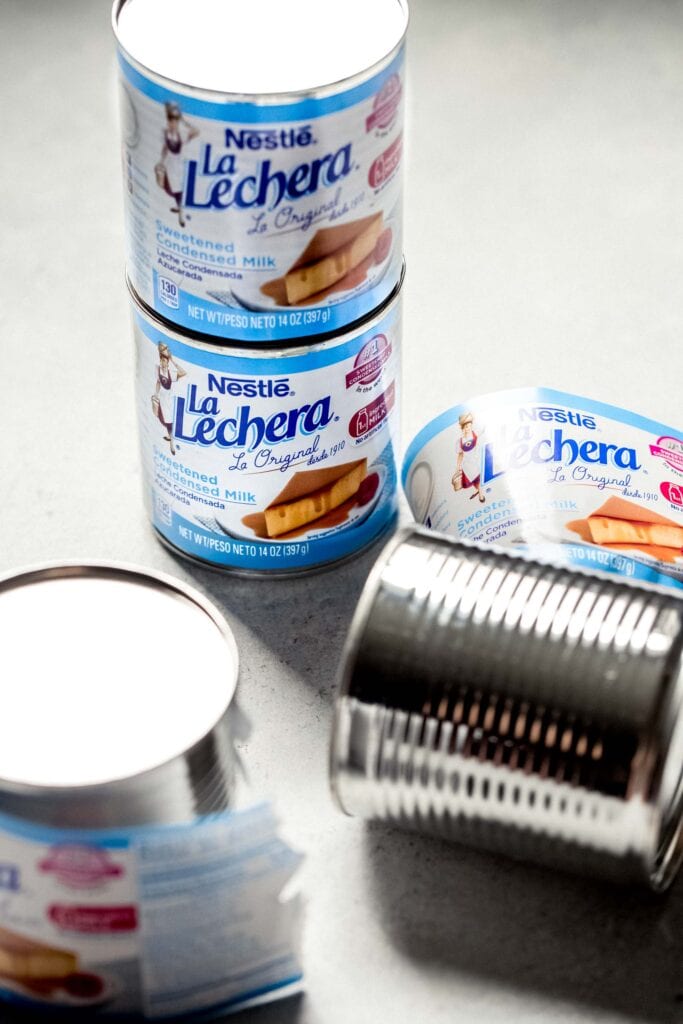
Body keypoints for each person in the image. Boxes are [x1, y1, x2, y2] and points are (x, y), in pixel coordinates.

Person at [157, 102, 198, 227]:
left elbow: (195, 131)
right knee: (172, 189)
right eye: (171, 122)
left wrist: (183, 120)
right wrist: (161, 162)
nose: (172, 124)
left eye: (175, 122)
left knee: (180, 190)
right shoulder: (165, 133)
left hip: (180, 165)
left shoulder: (182, 134)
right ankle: (179, 207)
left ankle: (181, 216)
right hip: (170, 165)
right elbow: (164, 148)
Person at [153, 343, 186, 456]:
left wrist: (172, 360)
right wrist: (156, 394)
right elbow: (158, 382)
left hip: (169, 398)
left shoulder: (171, 372)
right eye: (162, 360)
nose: (163, 363)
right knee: (163, 419)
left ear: (167, 363)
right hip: (162, 396)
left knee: (170, 420)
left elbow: (183, 373)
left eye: (165, 361)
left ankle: (172, 443)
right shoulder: (157, 370)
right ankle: (170, 436)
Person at [452, 412, 485, 502]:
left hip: (476, 460)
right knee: (472, 479)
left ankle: (481, 495)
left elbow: (483, 427)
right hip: (467, 464)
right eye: (466, 427)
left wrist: (473, 416)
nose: (468, 428)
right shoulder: (460, 441)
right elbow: (460, 455)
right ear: (463, 428)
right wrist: (458, 466)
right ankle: (478, 490)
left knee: (477, 478)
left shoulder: (475, 434)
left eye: (470, 426)